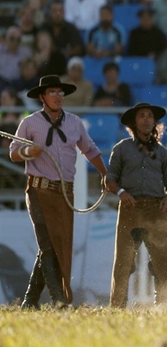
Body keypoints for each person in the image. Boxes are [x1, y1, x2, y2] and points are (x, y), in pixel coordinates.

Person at [9, 75, 107, 309]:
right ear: (42, 97)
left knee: (55, 245)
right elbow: (13, 152)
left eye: (60, 92)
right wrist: (27, 152)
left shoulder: (75, 123)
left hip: (64, 194)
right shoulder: (29, 122)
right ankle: (58, 299)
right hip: (38, 190)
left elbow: (90, 150)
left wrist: (105, 174)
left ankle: (30, 301)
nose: (58, 96)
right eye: (52, 92)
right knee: (48, 244)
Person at [107, 102, 167, 309]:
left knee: (166, 261)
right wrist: (121, 192)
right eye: (142, 116)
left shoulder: (163, 153)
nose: (146, 119)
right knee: (123, 263)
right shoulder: (121, 149)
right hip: (130, 208)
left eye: (149, 116)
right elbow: (109, 180)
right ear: (134, 123)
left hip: (156, 210)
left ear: (154, 122)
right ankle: (117, 307)